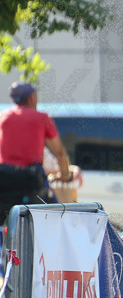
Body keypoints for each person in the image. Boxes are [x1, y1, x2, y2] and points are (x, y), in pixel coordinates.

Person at [0, 81, 71, 224]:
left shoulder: (3, 117)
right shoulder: (42, 118)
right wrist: (65, 175)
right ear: (32, 97)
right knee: (57, 218)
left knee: (4, 221)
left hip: (4, 179)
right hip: (30, 180)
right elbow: (59, 152)